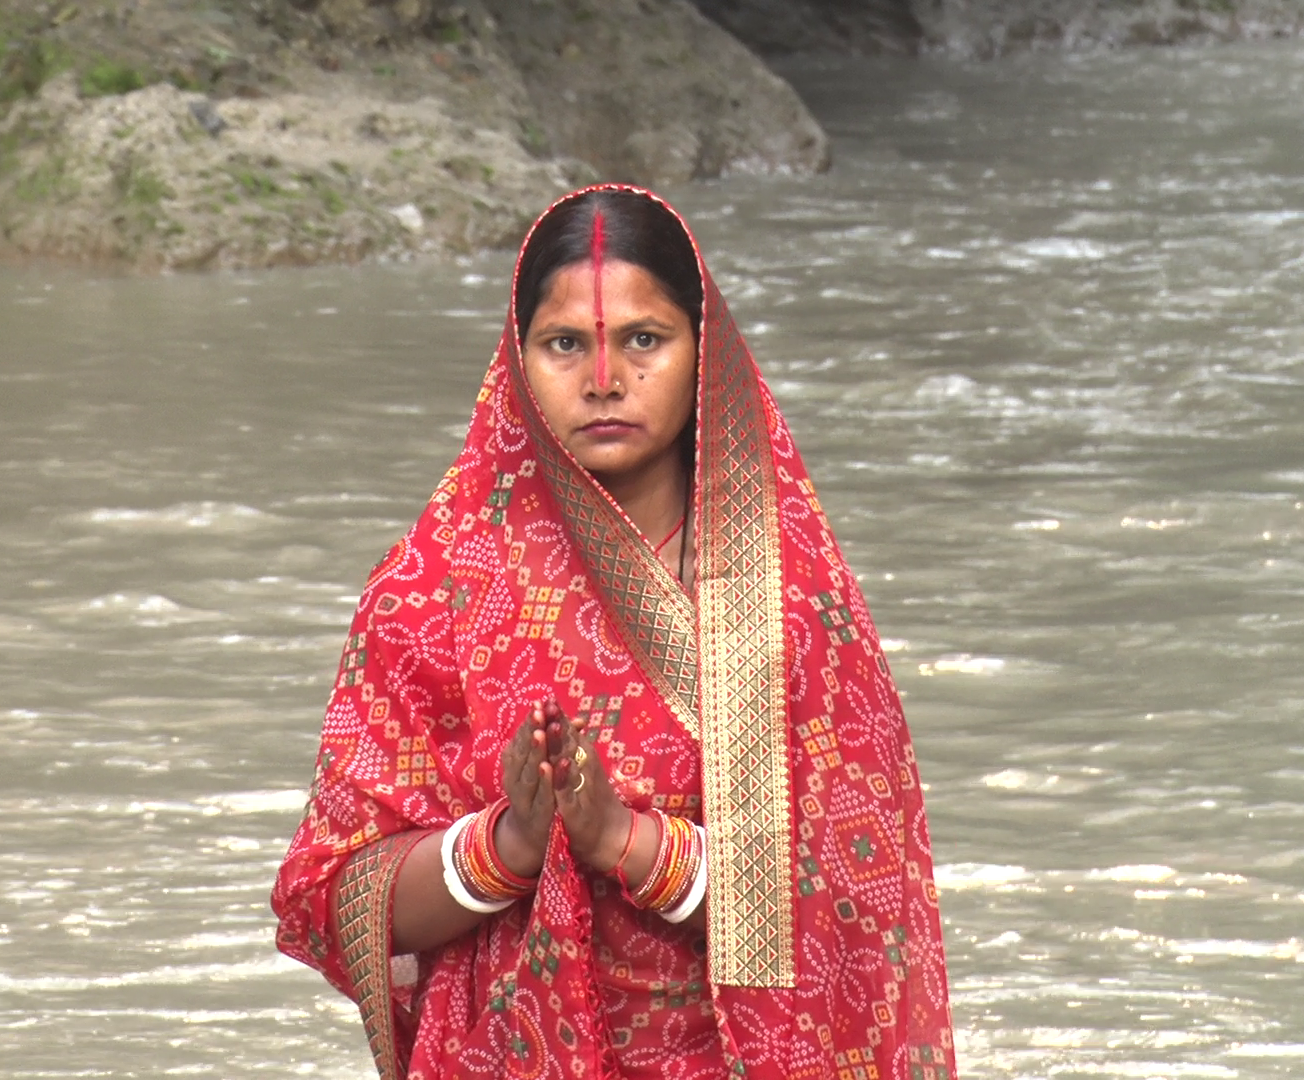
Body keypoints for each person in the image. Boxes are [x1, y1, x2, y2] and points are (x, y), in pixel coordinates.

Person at [272, 185, 955, 1079]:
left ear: (701, 354)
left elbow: (858, 912)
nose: (605, 379)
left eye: (644, 340)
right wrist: (509, 844)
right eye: (565, 344)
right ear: (516, 363)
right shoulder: (432, 591)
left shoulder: (785, 603)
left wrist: (621, 843)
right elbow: (333, 894)